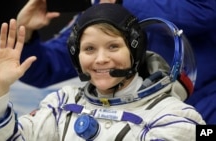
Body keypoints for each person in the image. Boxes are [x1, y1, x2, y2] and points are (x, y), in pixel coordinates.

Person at [0, 4, 205, 140]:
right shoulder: (62, 104)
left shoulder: (172, 117)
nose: (101, 59)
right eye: (89, 49)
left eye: (113, 46)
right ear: (77, 56)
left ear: (135, 52)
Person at [17, 0, 216, 124]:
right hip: (137, 115)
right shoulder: (104, 7)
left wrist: (121, 5)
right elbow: (46, 68)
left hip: (205, 109)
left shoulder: (114, 4)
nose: (101, 58)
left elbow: (205, 11)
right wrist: (25, 35)